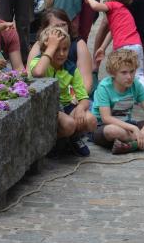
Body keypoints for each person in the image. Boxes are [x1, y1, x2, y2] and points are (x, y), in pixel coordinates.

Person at [29, 26, 96, 156]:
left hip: (64, 106)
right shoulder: (39, 62)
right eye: (56, 49)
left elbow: (83, 97)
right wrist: (50, 48)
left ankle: (72, 139)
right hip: (44, 108)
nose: (61, 54)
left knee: (91, 120)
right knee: (69, 124)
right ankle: (50, 144)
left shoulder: (70, 68)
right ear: (45, 50)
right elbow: (38, 72)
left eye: (65, 49)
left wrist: (81, 108)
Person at [91, 48, 144, 154]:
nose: (129, 77)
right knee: (112, 131)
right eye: (124, 72)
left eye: (132, 71)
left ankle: (132, 145)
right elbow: (106, 118)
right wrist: (134, 128)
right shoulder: (104, 87)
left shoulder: (136, 84)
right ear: (113, 73)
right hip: (103, 127)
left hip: (127, 125)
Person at [87, 0, 144, 96]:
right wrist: (102, 47)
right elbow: (113, 32)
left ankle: (115, 97)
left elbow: (95, 6)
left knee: (118, 73)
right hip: (136, 45)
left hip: (123, 47)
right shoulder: (123, 10)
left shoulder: (113, 5)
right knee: (138, 74)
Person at [25, 8, 96, 95]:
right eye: (56, 26)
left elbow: (86, 83)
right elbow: (30, 76)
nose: (62, 29)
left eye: (63, 24)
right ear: (45, 29)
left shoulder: (79, 44)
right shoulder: (39, 44)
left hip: (72, 97)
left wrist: (74, 100)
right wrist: (51, 47)